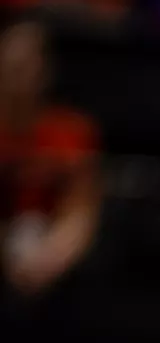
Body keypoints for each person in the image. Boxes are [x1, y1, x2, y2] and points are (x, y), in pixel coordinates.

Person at [0, 18, 99, 297]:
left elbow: (81, 209)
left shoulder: (72, 131)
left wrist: (52, 256)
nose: (16, 75)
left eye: (25, 65)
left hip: (54, 263)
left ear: (45, 69)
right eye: (9, 65)